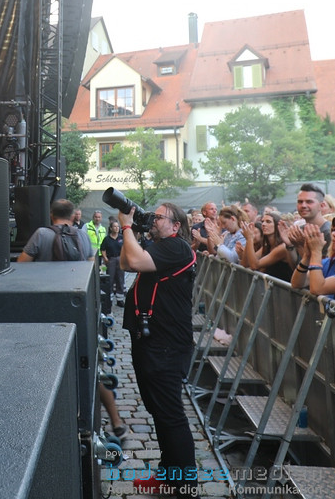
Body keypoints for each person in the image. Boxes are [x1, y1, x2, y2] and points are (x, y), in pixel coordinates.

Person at [118, 201, 196, 496]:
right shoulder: (159, 248)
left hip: (166, 344)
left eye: (159, 217)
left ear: (176, 226)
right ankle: (168, 476)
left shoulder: (176, 247)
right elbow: (127, 262)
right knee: (160, 412)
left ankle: (186, 486)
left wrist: (126, 224)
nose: (154, 220)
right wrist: (135, 230)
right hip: (150, 340)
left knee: (171, 415)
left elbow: (135, 263)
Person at [17, 198, 93, 263]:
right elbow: (91, 265)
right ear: (72, 217)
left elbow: (22, 263)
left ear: (51, 215)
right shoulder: (84, 235)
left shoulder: (41, 234)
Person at [241, 210, 292, 281]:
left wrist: (250, 238)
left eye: (268, 222)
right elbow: (245, 264)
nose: (263, 224)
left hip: (283, 289)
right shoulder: (266, 246)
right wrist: (248, 240)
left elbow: (254, 265)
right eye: (262, 221)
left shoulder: (282, 247)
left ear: (277, 225)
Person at [101, 218, 125, 305]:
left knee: (120, 279)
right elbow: (102, 249)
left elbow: (125, 248)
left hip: (120, 259)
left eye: (117, 226)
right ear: (111, 228)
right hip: (111, 260)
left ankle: (120, 299)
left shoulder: (122, 238)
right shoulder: (107, 239)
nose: (116, 228)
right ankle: (109, 299)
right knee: (110, 280)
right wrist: (105, 258)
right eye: (114, 226)